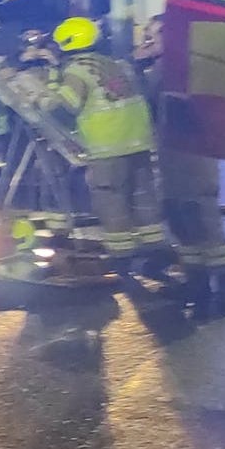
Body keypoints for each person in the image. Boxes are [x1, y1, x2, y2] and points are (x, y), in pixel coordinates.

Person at [45, 16, 168, 272]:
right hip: (140, 143)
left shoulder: (76, 71)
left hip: (108, 148)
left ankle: (122, 257)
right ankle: (156, 251)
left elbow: (65, 106)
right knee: (143, 198)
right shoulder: (117, 64)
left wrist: (44, 95)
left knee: (112, 201)